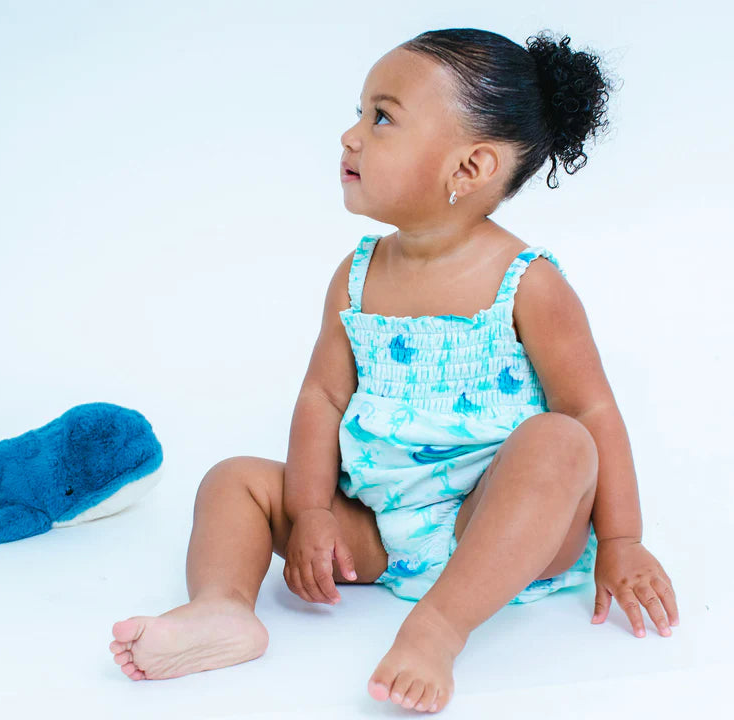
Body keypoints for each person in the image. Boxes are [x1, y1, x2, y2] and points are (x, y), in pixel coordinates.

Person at [108, 27, 679, 713]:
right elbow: (321, 397)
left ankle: (438, 627)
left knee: (561, 443)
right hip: (377, 529)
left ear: (468, 170)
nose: (350, 136)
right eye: (357, 113)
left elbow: (591, 411)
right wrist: (313, 511)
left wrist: (622, 542)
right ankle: (221, 608)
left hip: (501, 527)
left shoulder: (527, 283)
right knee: (233, 481)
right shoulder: (355, 276)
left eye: (381, 118)